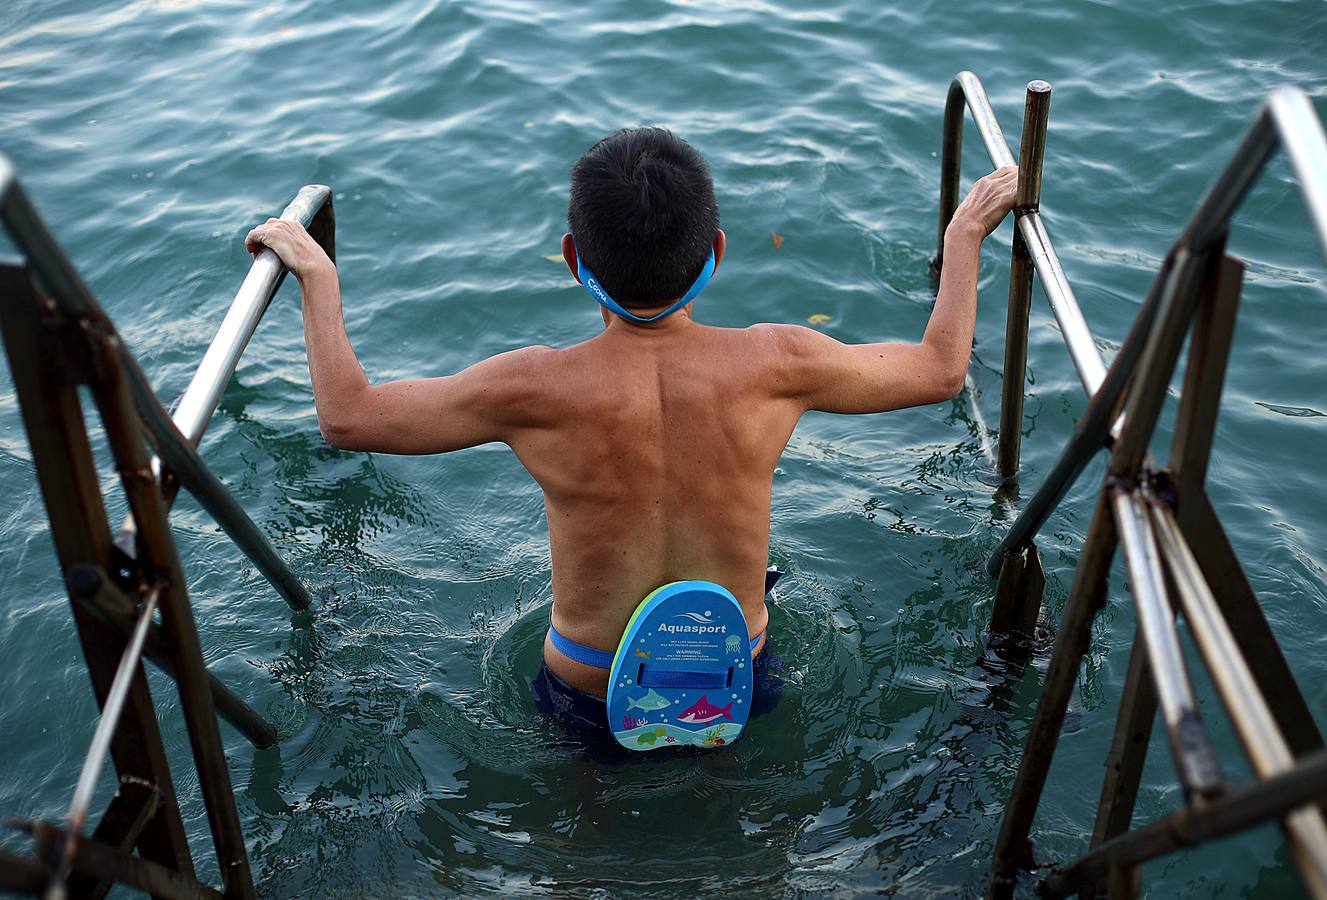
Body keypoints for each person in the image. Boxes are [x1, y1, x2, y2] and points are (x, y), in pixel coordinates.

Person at [245, 128, 1017, 745]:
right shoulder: (778, 362)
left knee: (583, 829)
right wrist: (963, 234)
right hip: (735, 674)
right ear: (713, 253)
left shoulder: (531, 386)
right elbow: (938, 369)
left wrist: (319, 278)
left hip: (585, 685)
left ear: (575, 258)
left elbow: (349, 417)